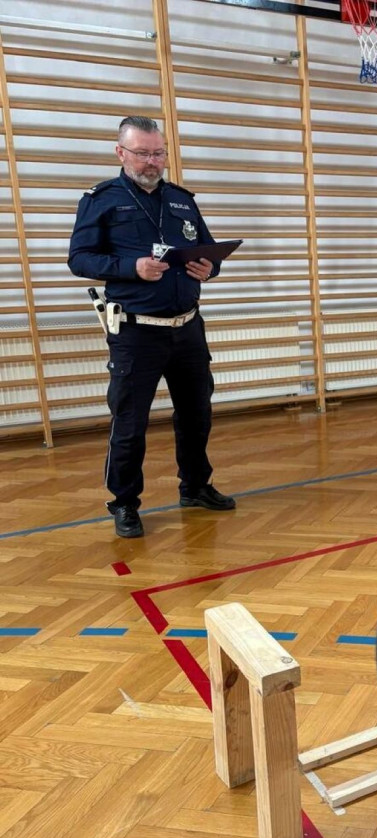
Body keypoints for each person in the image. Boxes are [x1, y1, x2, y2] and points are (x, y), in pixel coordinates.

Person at [68, 116, 235, 539]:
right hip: (136, 332)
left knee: (197, 413)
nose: (152, 162)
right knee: (130, 422)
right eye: (142, 153)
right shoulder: (100, 200)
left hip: (187, 327)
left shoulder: (181, 199)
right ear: (120, 152)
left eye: (159, 153)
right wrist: (130, 267)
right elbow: (80, 258)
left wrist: (207, 268)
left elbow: (207, 252)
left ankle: (195, 486)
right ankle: (124, 502)